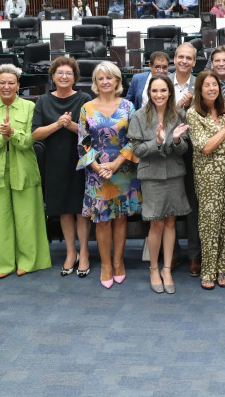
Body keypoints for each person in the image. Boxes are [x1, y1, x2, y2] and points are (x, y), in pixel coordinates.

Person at [0, 64, 51, 278]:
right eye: (2, 83)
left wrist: (13, 133)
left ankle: (29, 261)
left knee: (27, 218)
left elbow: (30, 139)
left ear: (18, 86)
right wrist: (3, 137)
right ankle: (2, 264)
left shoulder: (30, 107)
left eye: (11, 83)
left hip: (24, 167)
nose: (6, 87)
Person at [77, 62, 141, 289]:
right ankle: (105, 265)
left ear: (117, 82)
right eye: (100, 78)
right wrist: (97, 167)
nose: (105, 82)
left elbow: (135, 139)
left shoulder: (128, 107)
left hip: (122, 169)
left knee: (121, 218)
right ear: (95, 83)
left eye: (109, 77)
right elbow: (83, 143)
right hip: (97, 173)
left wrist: (115, 164)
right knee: (102, 220)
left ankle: (118, 261)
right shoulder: (87, 108)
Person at [128, 74, 191, 295]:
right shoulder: (138, 116)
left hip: (174, 173)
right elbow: (137, 151)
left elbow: (184, 150)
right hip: (152, 176)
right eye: (154, 91)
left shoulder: (180, 114)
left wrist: (174, 140)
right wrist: (156, 142)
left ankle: (167, 269)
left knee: (171, 222)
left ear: (170, 92)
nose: (159, 95)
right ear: (149, 93)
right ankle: (154, 268)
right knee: (156, 224)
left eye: (163, 90)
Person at [32, 57, 92, 278]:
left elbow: (92, 132)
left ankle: (84, 253)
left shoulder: (85, 99)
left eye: (69, 73)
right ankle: (70, 253)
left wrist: (71, 125)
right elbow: (35, 134)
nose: (64, 76)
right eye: (60, 73)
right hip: (55, 161)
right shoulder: (43, 101)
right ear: (53, 77)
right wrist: (58, 124)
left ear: (75, 77)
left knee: (80, 209)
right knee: (65, 210)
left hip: (80, 161)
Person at [187, 70, 225, 289]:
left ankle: (224, 267)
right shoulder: (193, 113)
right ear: (199, 90)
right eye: (206, 85)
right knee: (210, 222)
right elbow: (206, 147)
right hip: (208, 174)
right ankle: (208, 269)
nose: (211, 89)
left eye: (215, 85)